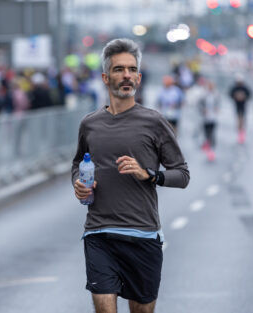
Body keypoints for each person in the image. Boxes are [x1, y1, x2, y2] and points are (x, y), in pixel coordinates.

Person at [71, 38, 190, 313]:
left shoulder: (154, 122)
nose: (126, 75)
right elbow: (79, 161)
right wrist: (78, 182)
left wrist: (149, 175)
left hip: (143, 235)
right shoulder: (90, 124)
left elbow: (182, 175)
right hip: (99, 232)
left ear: (138, 76)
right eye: (118, 69)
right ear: (105, 77)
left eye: (131, 69)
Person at [198, 78, 220, 161]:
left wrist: (217, 108)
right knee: (207, 134)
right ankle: (208, 146)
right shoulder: (204, 95)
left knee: (212, 133)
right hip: (205, 118)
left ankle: (212, 150)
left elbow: (219, 104)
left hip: (213, 117)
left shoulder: (216, 95)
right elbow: (199, 104)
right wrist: (203, 109)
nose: (211, 87)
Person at [229, 73, 251, 144]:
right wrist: (236, 96)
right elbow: (230, 94)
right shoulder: (235, 88)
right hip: (237, 105)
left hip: (243, 105)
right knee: (239, 118)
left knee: (242, 119)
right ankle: (240, 132)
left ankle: (242, 132)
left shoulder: (244, 88)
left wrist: (243, 97)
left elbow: (249, 95)